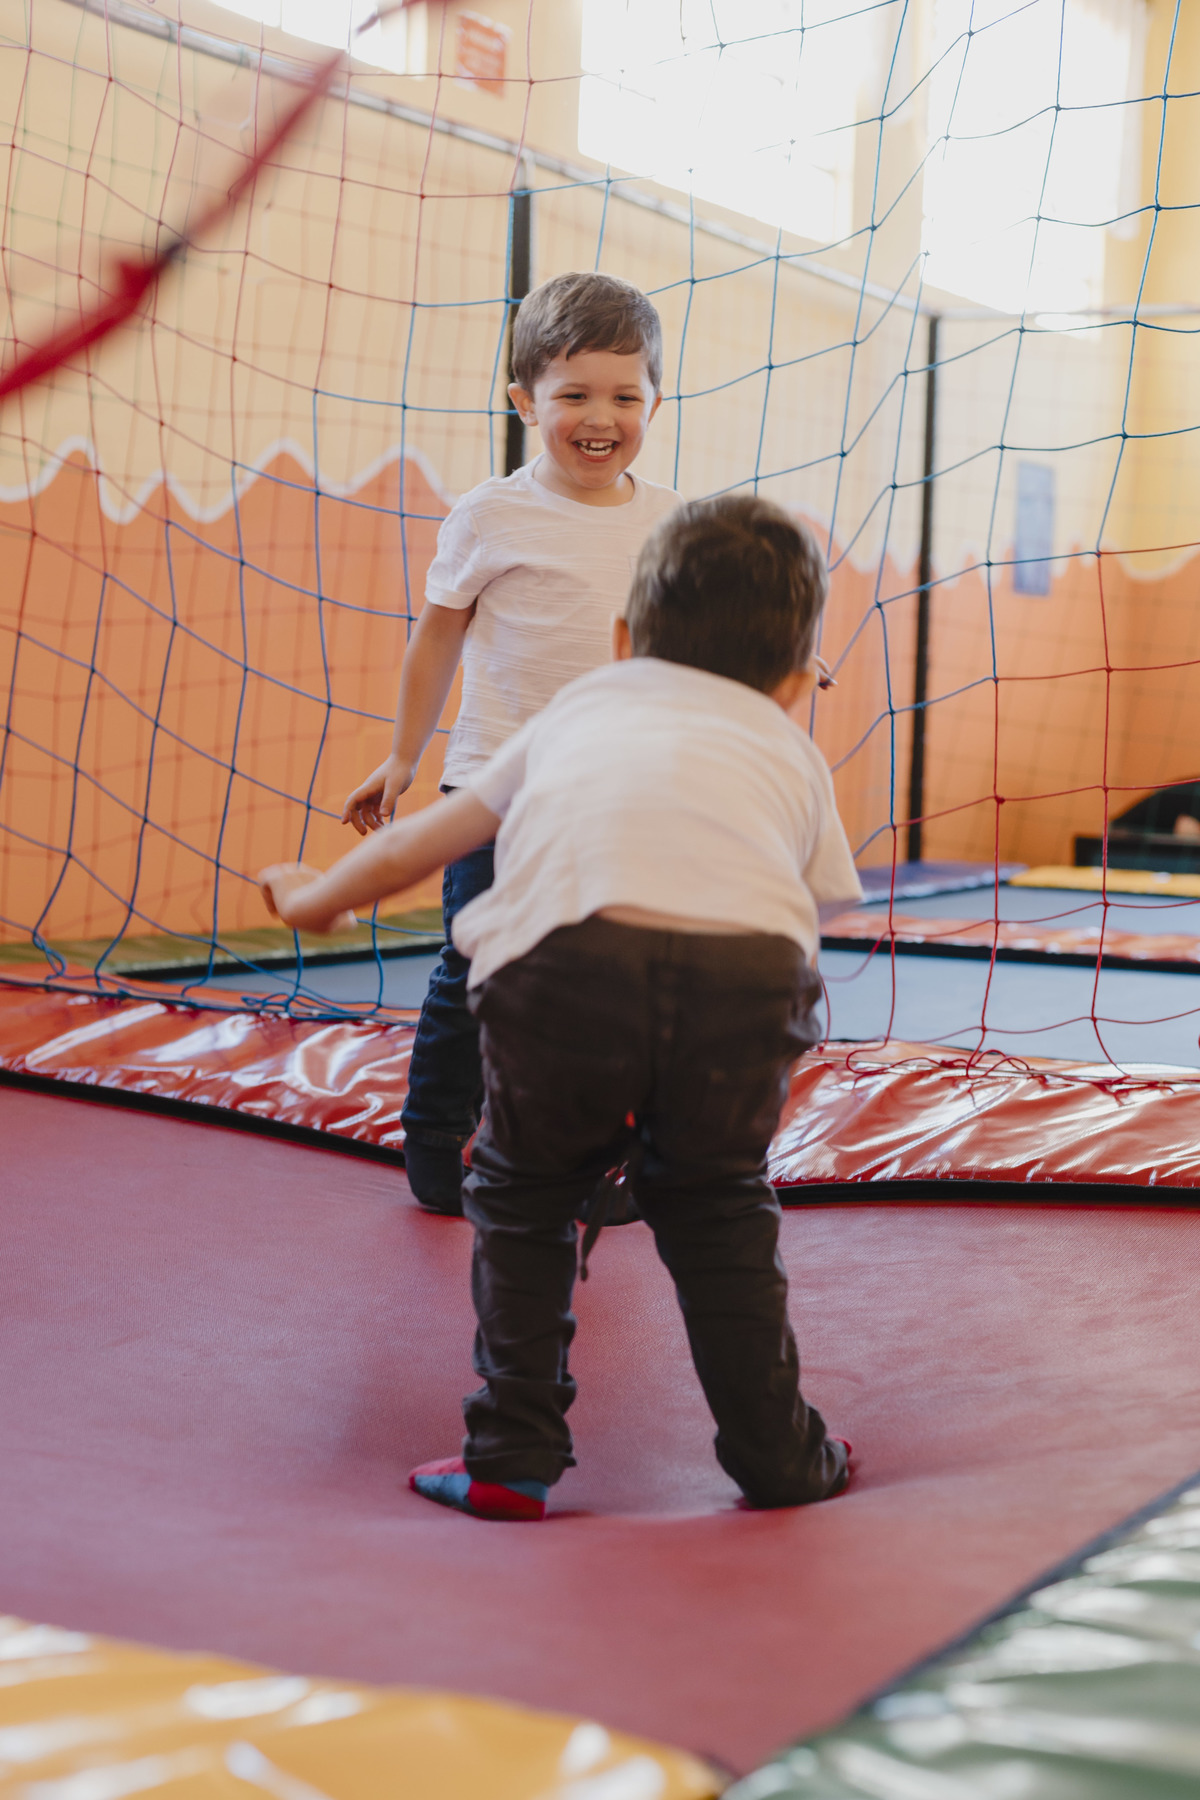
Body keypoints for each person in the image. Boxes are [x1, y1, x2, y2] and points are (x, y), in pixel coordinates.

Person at [261, 493, 862, 1518]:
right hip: (744, 984)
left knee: (527, 1194)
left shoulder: (579, 708)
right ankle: (777, 1455)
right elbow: (804, 907)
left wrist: (318, 897)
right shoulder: (791, 751)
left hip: (563, 973)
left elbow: (433, 839)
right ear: (799, 682)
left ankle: (510, 1455)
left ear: (622, 640)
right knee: (718, 1208)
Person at [342, 271, 680, 1215]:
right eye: (573, 395)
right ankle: (440, 1132)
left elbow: (709, 621)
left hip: (620, 795)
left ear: (657, 399)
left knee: (615, 977)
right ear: (525, 402)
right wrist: (405, 756)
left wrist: (783, 645)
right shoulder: (493, 514)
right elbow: (438, 634)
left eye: (624, 395)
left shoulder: (673, 521)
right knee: (478, 959)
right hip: (496, 787)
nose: (599, 417)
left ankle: (594, 1151)